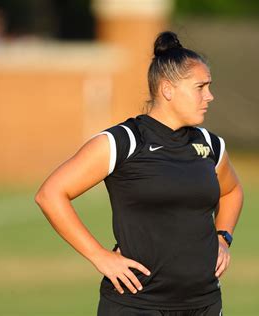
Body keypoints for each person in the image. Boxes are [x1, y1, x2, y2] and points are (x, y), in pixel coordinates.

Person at [35, 31, 244, 316]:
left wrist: (223, 238)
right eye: (200, 87)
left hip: (203, 302)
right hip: (136, 304)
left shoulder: (209, 144)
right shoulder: (124, 141)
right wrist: (100, 256)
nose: (209, 96)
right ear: (168, 90)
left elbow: (231, 191)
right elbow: (51, 194)